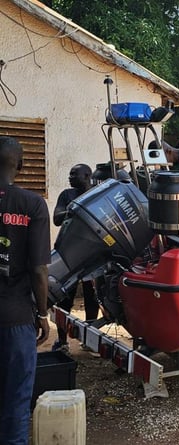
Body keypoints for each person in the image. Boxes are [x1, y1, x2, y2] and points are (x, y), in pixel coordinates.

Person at [0, 136, 50, 445]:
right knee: (16, 406)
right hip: (16, 319)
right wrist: (43, 314)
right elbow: (39, 270)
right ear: (20, 165)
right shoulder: (32, 205)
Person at [52, 164, 98, 351]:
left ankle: (90, 342)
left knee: (92, 298)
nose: (70, 177)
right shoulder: (67, 195)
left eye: (74, 174)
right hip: (69, 254)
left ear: (87, 175)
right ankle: (63, 342)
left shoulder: (97, 194)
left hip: (92, 254)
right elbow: (56, 218)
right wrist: (76, 210)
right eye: (70, 174)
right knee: (64, 298)